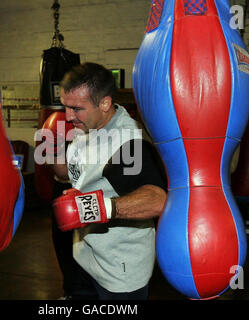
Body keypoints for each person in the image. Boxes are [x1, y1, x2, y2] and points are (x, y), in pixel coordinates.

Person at [49, 62, 167, 300]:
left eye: (76, 108)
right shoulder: (85, 128)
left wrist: (94, 207)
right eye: (65, 107)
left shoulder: (128, 143)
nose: (69, 116)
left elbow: (157, 199)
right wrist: (55, 147)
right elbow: (65, 173)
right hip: (84, 256)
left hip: (119, 269)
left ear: (104, 103)